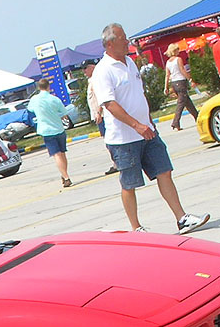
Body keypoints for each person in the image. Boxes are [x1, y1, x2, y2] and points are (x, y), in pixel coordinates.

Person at [90, 23, 211, 234]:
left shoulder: (130, 62)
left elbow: (138, 95)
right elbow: (109, 104)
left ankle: (182, 218)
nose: (127, 41)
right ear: (110, 43)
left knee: (164, 171)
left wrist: (148, 122)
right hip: (123, 139)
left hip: (147, 131)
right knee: (129, 184)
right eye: (123, 38)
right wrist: (136, 125)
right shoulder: (103, 70)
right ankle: (136, 228)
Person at [27, 78, 72, 188]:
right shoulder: (54, 99)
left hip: (46, 130)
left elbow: (30, 109)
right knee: (62, 153)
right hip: (59, 129)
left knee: (56, 155)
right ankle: (64, 173)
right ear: (48, 87)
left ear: (38, 87)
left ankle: (66, 177)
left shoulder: (34, 99)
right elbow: (64, 113)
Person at [85, 63, 119, 175]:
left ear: (92, 67)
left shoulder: (96, 80)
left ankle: (117, 163)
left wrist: (99, 113)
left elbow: (101, 97)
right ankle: (116, 162)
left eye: (85, 68)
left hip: (103, 115)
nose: (84, 71)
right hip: (99, 115)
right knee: (107, 139)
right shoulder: (91, 80)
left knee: (109, 140)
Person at [163, 43, 199, 131]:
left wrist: (166, 87)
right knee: (181, 104)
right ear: (174, 51)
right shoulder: (178, 59)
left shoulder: (168, 62)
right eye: (177, 49)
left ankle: (197, 117)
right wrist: (190, 80)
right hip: (181, 82)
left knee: (187, 102)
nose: (178, 51)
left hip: (174, 83)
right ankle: (175, 122)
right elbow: (182, 70)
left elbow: (167, 75)